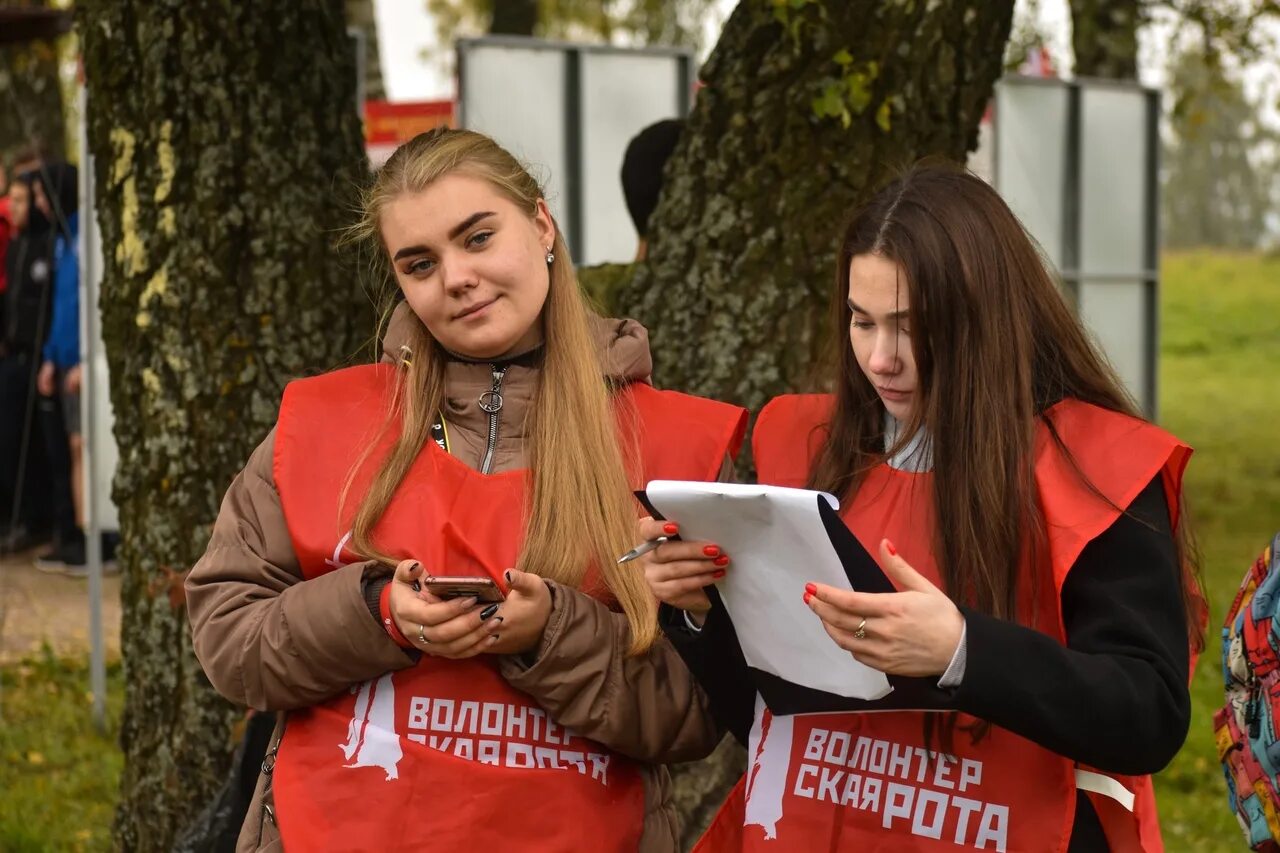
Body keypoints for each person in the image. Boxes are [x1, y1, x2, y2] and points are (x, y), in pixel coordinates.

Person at [185, 127, 747, 852]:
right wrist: (376, 611)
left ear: (541, 224)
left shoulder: (675, 447)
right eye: (419, 264)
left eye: (477, 238)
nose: (454, 277)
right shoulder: (323, 425)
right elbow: (229, 640)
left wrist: (552, 631)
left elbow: (701, 711)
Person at [640, 164, 1203, 852]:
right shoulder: (807, 447)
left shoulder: (1098, 466)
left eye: (911, 327)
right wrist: (698, 609)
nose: (880, 358)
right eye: (861, 320)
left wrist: (962, 650)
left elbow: (1146, 712)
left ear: (985, 319)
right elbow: (767, 713)